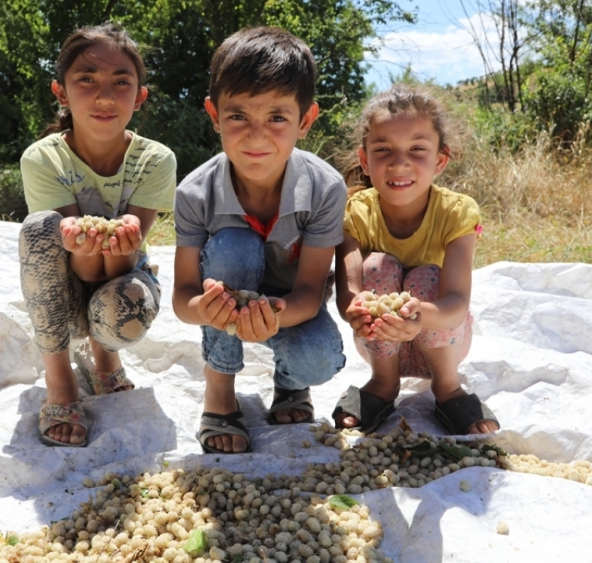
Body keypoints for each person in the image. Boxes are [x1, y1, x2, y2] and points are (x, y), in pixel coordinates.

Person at [173, 27, 347, 454]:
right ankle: (219, 394)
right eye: (238, 117)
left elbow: (309, 291)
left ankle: (291, 386)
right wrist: (206, 309)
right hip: (225, 305)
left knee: (321, 358)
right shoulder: (195, 193)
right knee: (234, 245)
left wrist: (272, 314)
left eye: (277, 118)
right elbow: (182, 296)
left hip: (289, 307)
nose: (256, 136)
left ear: (305, 121)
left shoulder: (325, 188)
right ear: (214, 115)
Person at [19, 23, 176, 447]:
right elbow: (78, 266)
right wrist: (84, 245)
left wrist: (122, 246)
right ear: (61, 93)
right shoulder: (43, 159)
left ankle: (106, 356)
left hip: (123, 278)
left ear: (139, 97)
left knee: (125, 310)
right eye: (86, 79)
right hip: (62, 293)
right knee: (38, 228)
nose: (105, 97)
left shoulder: (155, 160)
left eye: (121, 82)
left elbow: (126, 261)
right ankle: (61, 380)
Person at [332, 84, 500, 436]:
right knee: (377, 265)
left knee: (426, 277)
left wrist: (417, 317)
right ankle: (383, 383)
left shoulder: (457, 212)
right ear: (365, 160)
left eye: (417, 149)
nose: (399, 162)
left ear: (440, 160)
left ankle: (448, 387)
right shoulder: (355, 211)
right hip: (379, 343)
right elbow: (348, 287)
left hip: (442, 342)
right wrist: (357, 309)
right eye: (383, 149)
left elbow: (456, 302)